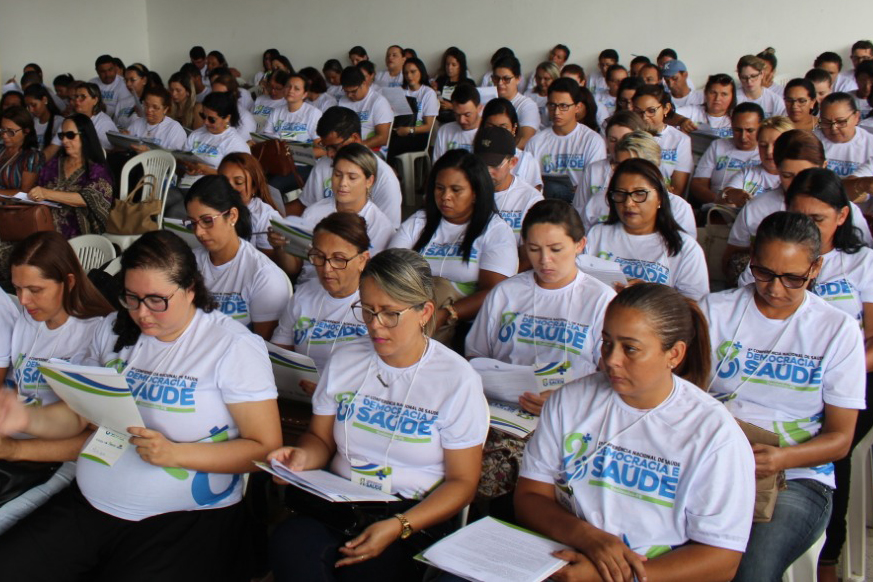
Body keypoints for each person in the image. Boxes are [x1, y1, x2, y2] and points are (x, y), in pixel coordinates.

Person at [0, 230, 282, 581]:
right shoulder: (115, 331)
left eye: (156, 300)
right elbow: (77, 415)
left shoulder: (231, 346)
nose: (142, 313)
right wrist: (26, 418)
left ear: (190, 289)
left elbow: (264, 448)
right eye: (131, 298)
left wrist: (177, 454)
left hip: (181, 518)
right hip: (91, 504)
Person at [268, 248, 488, 582]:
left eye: (389, 313)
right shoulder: (345, 360)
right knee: (291, 545)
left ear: (425, 312)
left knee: (366, 571)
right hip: (341, 501)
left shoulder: (456, 380)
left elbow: (463, 483)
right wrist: (302, 458)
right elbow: (320, 439)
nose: (375, 325)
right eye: (367, 310)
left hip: (412, 512)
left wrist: (400, 525)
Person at [516, 282, 755, 582]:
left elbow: (722, 560)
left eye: (630, 348)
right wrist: (588, 537)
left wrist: (614, 576)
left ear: (674, 354)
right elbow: (530, 495)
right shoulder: (569, 402)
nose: (611, 359)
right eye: (606, 342)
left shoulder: (714, 433)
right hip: (565, 559)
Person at [701, 211, 865, 582]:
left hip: (796, 475)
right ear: (752, 259)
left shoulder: (836, 330)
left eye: (792, 278)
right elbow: (687, 395)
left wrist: (779, 459)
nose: (775, 288)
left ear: (815, 268)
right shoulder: (716, 310)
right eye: (763, 272)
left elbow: (840, 440)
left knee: (752, 570)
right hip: (715, 461)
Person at [0, 232, 113, 534]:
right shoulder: (28, 320)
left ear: (69, 281)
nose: (24, 300)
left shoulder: (97, 334)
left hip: (57, 460)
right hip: (14, 448)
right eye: (17, 288)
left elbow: (96, 440)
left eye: (35, 290)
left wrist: (13, 449)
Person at [467, 198, 615, 410]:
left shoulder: (601, 299)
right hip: (502, 408)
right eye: (534, 249)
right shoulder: (505, 293)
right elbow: (476, 356)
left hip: (572, 410)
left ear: (580, 245)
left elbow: (610, 371)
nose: (545, 260)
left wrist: (565, 401)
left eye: (556, 249)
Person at [390, 149, 518, 341]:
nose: (445, 196)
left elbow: (494, 292)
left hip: (461, 326)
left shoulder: (495, 231)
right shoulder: (419, 221)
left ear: (475, 193)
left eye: (456, 190)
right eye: (439, 188)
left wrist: (446, 314)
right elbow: (390, 267)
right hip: (410, 307)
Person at [583, 158, 708, 300]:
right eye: (620, 194)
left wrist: (650, 295)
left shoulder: (685, 248)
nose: (628, 203)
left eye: (639, 194)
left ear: (660, 198)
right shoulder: (597, 235)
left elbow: (696, 305)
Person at [185, 176, 289, 339]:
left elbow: (264, 347)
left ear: (232, 216)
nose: (198, 232)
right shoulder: (189, 262)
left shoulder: (264, 275)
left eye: (207, 221)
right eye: (193, 223)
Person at [271, 143, 393, 283]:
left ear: (369, 181)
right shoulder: (313, 212)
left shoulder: (380, 226)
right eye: (337, 175)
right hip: (308, 287)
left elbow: (372, 279)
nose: (342, 183)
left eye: (352, 177)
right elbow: (294, 268)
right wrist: (280, 246)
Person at [271, 212, 370, 382]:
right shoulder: (303, 295)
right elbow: (279, 354)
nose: (326, 269)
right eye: (319, 256)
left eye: (339, 259)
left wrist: (324, 390)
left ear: (362, 260)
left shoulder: (377, 304)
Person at [292, 106, 402, 227]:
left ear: (355, 138)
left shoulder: (385, 179)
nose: (329, 154)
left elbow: (388, 230)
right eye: (325, 147)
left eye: (334, 147)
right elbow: (306, 203)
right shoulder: (324, 163)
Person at [580, 130, 696, 239]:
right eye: (619, 165)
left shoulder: (678, 208)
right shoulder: (599, 200)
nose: (624, 172)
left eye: (633, 167)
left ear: (653, 166)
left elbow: (682, 248)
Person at [28, 114, 113, 238]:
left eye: (70, 135)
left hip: (77, 231)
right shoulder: (54, 164)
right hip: (43, 224)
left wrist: (46, 194)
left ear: (84, 136)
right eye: (62, 136)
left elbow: (88, 199)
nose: (64, 140)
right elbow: (38, 188)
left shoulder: (97, 169)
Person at [525, 78, 607, 202]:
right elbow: (529, 185)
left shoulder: (592, 141)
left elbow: (595, 185)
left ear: (577, 107)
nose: (556, 112)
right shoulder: (535, 142)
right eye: (552, 105)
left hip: (580, 205)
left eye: (564, 106)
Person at [472, 126, 543, 255]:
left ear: (513, 162)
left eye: (494, 165)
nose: (487, 171)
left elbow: (530, 255)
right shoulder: (464, 192)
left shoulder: (530, 199)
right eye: (481, 164)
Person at [573, 110, 646, 225]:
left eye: (625, 139)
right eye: (613, 140)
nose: (618, 146)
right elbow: (579, 209)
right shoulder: (594, 169)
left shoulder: (648, 170)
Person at [690, 102, 763, 205]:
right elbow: (698, 184)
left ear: (761, 127)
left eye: (750, 130)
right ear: (731, 125)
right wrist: (720, 201)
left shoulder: (767, 151)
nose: (743, 137)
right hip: (717, 207)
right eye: (737, 130)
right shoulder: (718, 146)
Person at [720, 115, 794, 209]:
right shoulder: (747, 173)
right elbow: (720, 199)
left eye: (776, 145)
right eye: (763, 145)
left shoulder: (798, 176)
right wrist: (731, 195)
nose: (769, 151)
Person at [632, 84, 693, 195]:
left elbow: (678, 189)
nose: (644, 117)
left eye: (651, 111)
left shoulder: (680, 140)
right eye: (638, 111)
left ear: (666, 109)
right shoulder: (629, 134)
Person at [218, 152, 283, 255]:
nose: (228, 188)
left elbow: (269, 260)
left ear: (254, 187)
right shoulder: (210, 204)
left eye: (238, 182)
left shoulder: (265, 217)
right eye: (223, 181)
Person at [179, 91, 250, 183]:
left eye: (212, 119)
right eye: (203, 116)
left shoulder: (235, 144)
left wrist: (209, 171)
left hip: (215, 187)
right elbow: (184, 157)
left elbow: (239, 178)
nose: (205, 122)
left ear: (227, 118)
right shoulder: (197, 134)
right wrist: (190, 166)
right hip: (188, 182)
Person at [481, 98, 543, 190]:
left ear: (514, 128)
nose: (497, 133)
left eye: (503, 127)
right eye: (491, 127)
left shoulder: (526, 161)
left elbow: (534, 195)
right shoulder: (475, 157)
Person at [45, 82, 117, 159]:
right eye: (76, 96)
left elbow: (105, 153)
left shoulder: (104, 123)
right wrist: (39, 161)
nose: (77, 100)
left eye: (82, 97)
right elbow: (53, 147)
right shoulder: (69, 121)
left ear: (95, 100)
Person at [815, 92, 873, 178]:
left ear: (856, 117)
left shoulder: (870, 143)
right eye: (826, 122)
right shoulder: (812, 140)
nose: (833, 128)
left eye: (841, 122)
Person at [338, 67, 393, 151]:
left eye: (353, 91)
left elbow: (383, 138)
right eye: (346, 91)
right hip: (348, 148)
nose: (349, 95)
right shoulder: (343, 101)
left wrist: (354, 148)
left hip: (372, 150)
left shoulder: (378, 102)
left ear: (364, 83)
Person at [491, 56, 540, 148]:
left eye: (506, 79)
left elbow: (526, 139)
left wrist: (505, 155)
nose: (500, 83)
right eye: (496, 78)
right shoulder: (489, 103)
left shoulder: (527, 105)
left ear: (518, 79)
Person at [262, 72, 323, 143]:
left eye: (296, 89)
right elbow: (267, 137)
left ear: (304, 94)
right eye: (288, 86)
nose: (291, 91)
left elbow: (319, 144)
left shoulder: (314, 113)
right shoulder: (276, 111)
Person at [125, 85, 187, 152]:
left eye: (155, 107)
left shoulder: (174, 129)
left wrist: (148, 153)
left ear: (165, 109)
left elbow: (175, 156)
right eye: (146, 105)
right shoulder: (137, 123)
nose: (149, 110)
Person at [0, 106, 43, 196]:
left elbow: (24, 192)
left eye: (11, 132)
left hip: (11, 204)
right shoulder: (1, 149)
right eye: (2, 130)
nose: (4, 135)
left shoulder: (31, 157)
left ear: (26, 131)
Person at [431, 83, 481, 162]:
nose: (461, 120)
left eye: (467, 115)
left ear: (479, 108)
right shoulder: (445, 131)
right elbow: (437, 164)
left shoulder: (488, 131)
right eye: (457, 115)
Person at [677, 73, 736, 138]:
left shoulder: (737, 118)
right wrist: (681, 120)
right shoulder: (692, 111)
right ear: (705, 93)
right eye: (713, 93)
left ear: (732, 97)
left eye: (724, 94)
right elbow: (669, 114)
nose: (717, 98)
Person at [395, 58, 438, 141]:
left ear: (421, 72)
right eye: (406, 73)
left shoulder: (428, 93)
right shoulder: (399, 91)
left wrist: (409, 130)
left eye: (413, 72)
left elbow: (428, 126)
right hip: (398, 130)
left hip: (417, 134)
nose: (409, 76)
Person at [90, 54, 136, 127]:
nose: (107, 74)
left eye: (110, 70)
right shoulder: (91, 84)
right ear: (97, 71)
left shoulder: (124, 84)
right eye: (103, 71)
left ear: (115, 68)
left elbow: (122, 110)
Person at [208, 72, 256, 140]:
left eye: (220, 95)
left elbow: (239, 144)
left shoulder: (245, 119)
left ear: (233, 94)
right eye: (213, 94)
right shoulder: (210, 114)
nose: (215, 98)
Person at [431, 47, 473, 124]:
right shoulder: (440, 80)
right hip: (439, 119)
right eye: (447, 64)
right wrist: (434, 91)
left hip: (459, 120)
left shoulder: (468, 83)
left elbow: (472, 106)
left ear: (460, 66)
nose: (449, 68)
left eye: (454, 65)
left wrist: (452, 106)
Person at [23, 85, 63, 151]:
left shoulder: (60, 122)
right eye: (28, 107)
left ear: (44, 100)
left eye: (34, 105)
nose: (31, 110)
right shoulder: (32, 123)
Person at [524, 61, 560, 129]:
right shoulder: (528, 94)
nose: (541, 82)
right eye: (539, 78)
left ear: (555, 79)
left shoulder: (559, 97)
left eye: (546, 79)